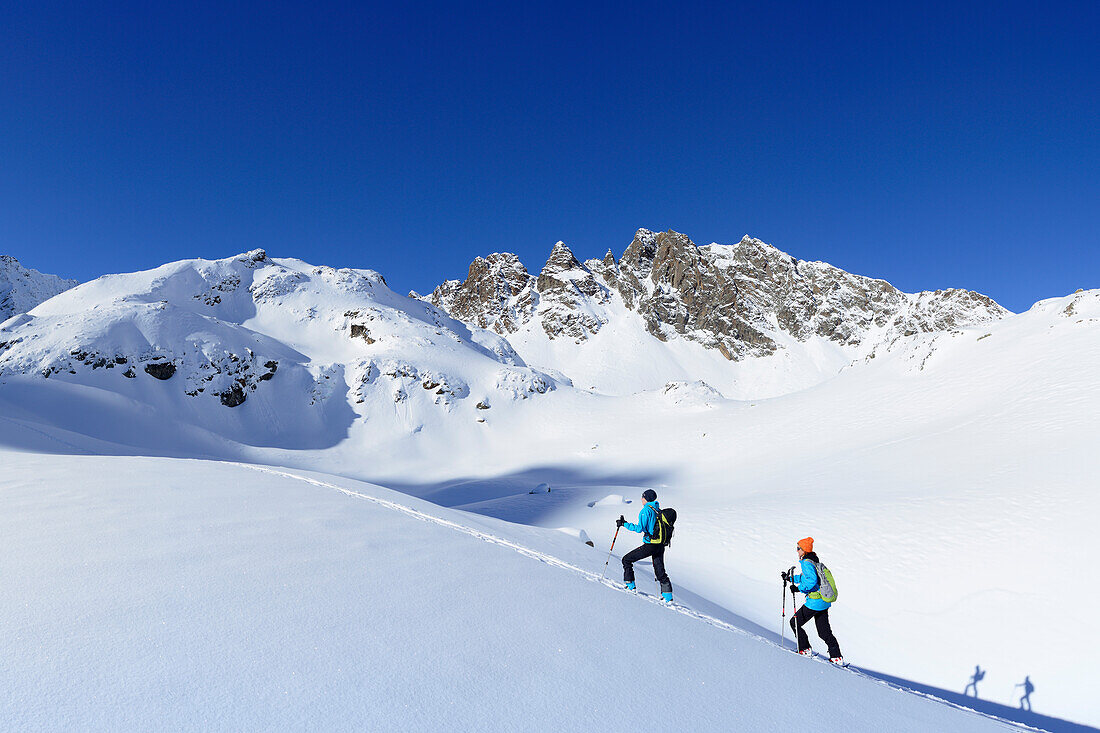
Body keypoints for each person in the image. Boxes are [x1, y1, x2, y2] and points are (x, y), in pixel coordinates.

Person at [781, 536, 843, 664]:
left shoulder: (806, 562)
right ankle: (836, 656)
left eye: (798, 548)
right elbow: (807, 577)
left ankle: (804, 649)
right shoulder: (814, 560)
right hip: (823, 601)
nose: (797, 551)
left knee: (794, 622)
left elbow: (811, 581)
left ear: (804, 550)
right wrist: (790, 578)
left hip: (814, 602)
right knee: (824, 632)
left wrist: (799, 589)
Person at [617, 489, 673, 602]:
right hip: (660, 544)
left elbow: (639, 528)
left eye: (642, 497)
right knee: (660, 570)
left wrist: (624, 524)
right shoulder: (657, 509)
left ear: (646, 498)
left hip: (650, 544)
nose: (641, 499)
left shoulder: (645, 510)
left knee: (626, 560)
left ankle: (630, 586)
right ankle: (668, 597)